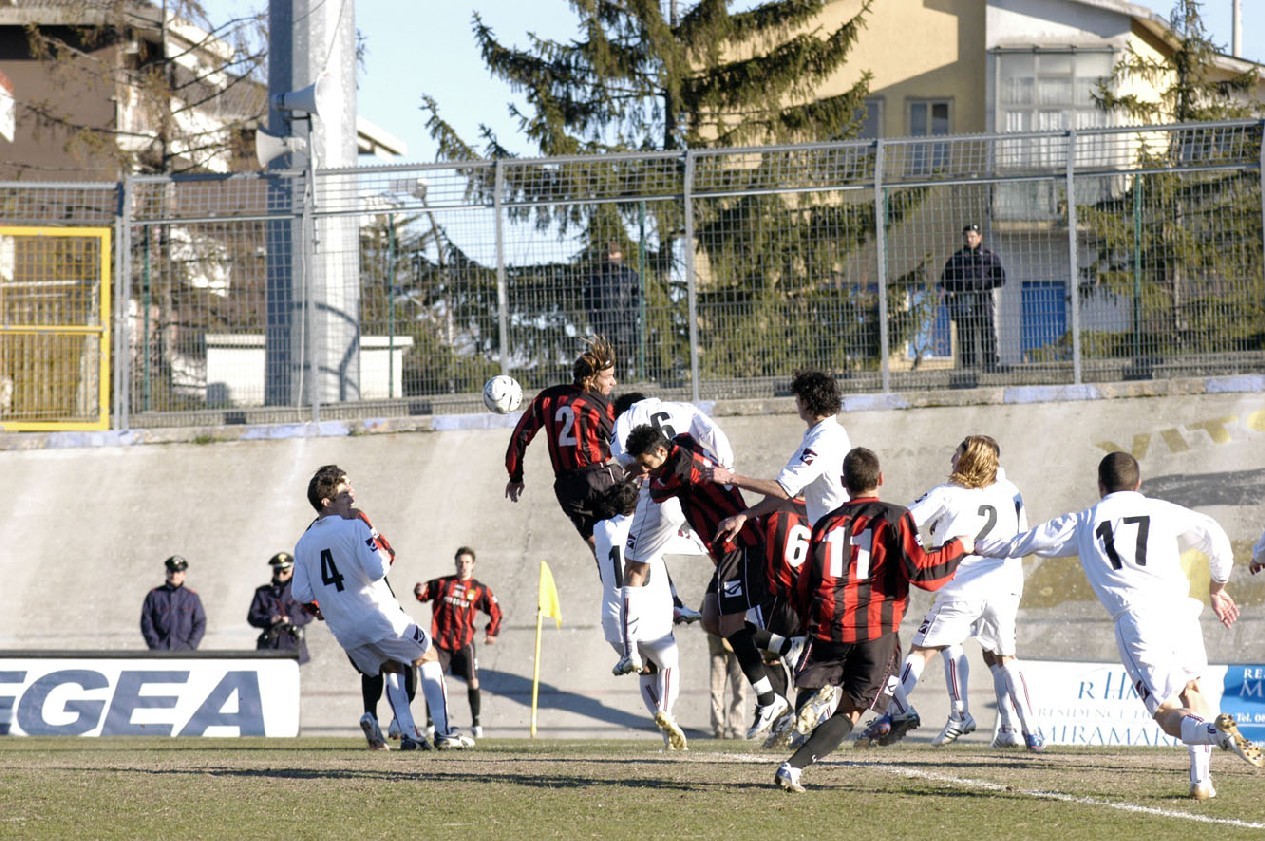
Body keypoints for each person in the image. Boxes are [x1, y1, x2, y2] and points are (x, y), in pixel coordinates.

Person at [974, 451, 1264, 799]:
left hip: (1137, 620)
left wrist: (973, 546)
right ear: (1138, 483)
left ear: (1100, 486)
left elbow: (1024, 543)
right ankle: (1201, 781)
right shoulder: (1163, 510)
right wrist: (1218, 588)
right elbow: (1213, 534)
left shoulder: (1084, 521)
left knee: (1165, 711)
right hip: (1180, 610)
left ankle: (1217, 735)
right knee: (1194, 689)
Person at [774, 447, 972, 794]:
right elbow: (922, 571)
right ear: (880, 479)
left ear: (842, 483)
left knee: (814, 681)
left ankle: (816, 700)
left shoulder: (825, 522)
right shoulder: (896, 517)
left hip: (829, 622)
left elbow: (804, 581)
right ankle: (793, 766)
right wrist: (958, 547)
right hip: (875, 629)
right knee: (852, 710)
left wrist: (807, 621)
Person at [857, 436, 1043, 751]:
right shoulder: (1010, 490)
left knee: (920, 652)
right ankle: (1029, 732)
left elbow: (902, 520)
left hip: (961, 587)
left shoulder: (947, 494)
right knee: (1004, 656)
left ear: (968, 460)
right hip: (1004, 583)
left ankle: (890, 716)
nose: (951, 460)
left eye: (956, 454)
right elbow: (1017, 532)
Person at [622, 424, 788, 741]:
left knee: (729, 625)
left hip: (739, 547)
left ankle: (769, 699)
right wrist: (645, 467)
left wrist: (647, 476)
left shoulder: (677, 471)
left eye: (647, 463)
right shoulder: (680, 445)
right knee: (711, 620)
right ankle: (788, 649)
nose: (644, 470)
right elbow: (688, 434)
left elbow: (657, 493)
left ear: (660, 452)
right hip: (725, 551)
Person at [291, 464, 473, 752]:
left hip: (344, 630)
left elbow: (300, 591)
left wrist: (332, 597)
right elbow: (378, 569)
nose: (351, 496)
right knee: (428, 655)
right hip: (377, 615)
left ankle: (411, 736)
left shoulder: (303, 543)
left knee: (391, 666)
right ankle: (444, 732)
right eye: (343, 493)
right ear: (327, 502)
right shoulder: (354, 525)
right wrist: (379, 554)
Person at [611, 390, 734, 623]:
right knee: (721, 550)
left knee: (635, 566)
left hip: (663, 496)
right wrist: (728, 467)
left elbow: (623, 457)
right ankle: (747, 604)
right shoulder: (682, 408)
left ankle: (631, 645)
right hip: (697, 489)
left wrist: (639, 468)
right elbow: (712, 432)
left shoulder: (625, 419)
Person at [504, 336, 624, 555]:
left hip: (568, 488)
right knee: (630, 540)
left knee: (600, 550)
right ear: (589, 379)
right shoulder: (600, 404)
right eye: (609, 377)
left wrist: (515, 476)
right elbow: (623, 442)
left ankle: (612, 586)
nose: (613, 382)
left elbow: (519, 437)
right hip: (601, 478)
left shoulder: (547, 398)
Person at [595, 479, 687, 750]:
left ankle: (664, 735)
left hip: (614, 622)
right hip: (649, 615)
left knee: (646, 669)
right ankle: (666, 711)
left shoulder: (600, 529)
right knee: (669, 664)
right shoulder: (651, 527)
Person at [413, 546, 503, 739]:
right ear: (455, 564)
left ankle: (476, 724)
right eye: (460, 562)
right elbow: (423, 593)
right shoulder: (443, 584)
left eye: (467, 562)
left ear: (473, 565)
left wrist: (492, 631)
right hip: (440, 642)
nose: (464, 566)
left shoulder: (479, 589)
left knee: (473, 681)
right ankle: (430, 723)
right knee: (433, 680)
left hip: (464, 643)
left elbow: (495, 610)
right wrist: (419, 590)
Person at [939, 222, 1005, 372]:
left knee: (987, 331)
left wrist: (983, 284)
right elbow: (945, 280)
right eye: (967, 237)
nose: (970, 240)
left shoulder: (989, 257)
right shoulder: (956, 259)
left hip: (983, 300)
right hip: (964, 300)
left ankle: (990, 364)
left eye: (973, 237)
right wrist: (961, 287)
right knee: (965, 332)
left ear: (980, 237)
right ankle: (968, 365)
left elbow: (1001, 278)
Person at [247, 551, 312, 664]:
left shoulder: (300, 590)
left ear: (291, 571)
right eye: (277, 571)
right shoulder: (263, 592)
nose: (281, 575)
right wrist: (270, 620)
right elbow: (252, 616)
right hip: (270, 645)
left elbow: (309, 615)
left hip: (293, 644)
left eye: (284, 571)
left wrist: (290, 620)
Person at [584, 241, 641, 368]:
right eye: (608, 253)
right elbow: (588, 300)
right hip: (604, 326)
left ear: (620, 254)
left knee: (623, 359)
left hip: (625, 327)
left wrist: (629, 316)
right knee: (605, 362)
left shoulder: (630, 275)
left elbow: (638, 298)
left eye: (613, 253)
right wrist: (595, 318)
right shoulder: (596, 277)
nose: (610, 257)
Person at [140, 555, 207, 651]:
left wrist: (191, 645)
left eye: (178, 572)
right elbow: (146, 622)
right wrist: (155, 645)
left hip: (184, 651)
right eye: (171, 571)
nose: (174, 576)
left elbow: (200, 622)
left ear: (184, 575)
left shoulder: (192, 598)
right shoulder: (154, 596)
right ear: (167, 573)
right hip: (160, 651)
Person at [708, 632, 748, 739]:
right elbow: (704, 621)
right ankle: (718, 728)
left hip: (739, 647)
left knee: (740, 690)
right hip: (717, 647)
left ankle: (738, 728)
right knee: (716, 690)